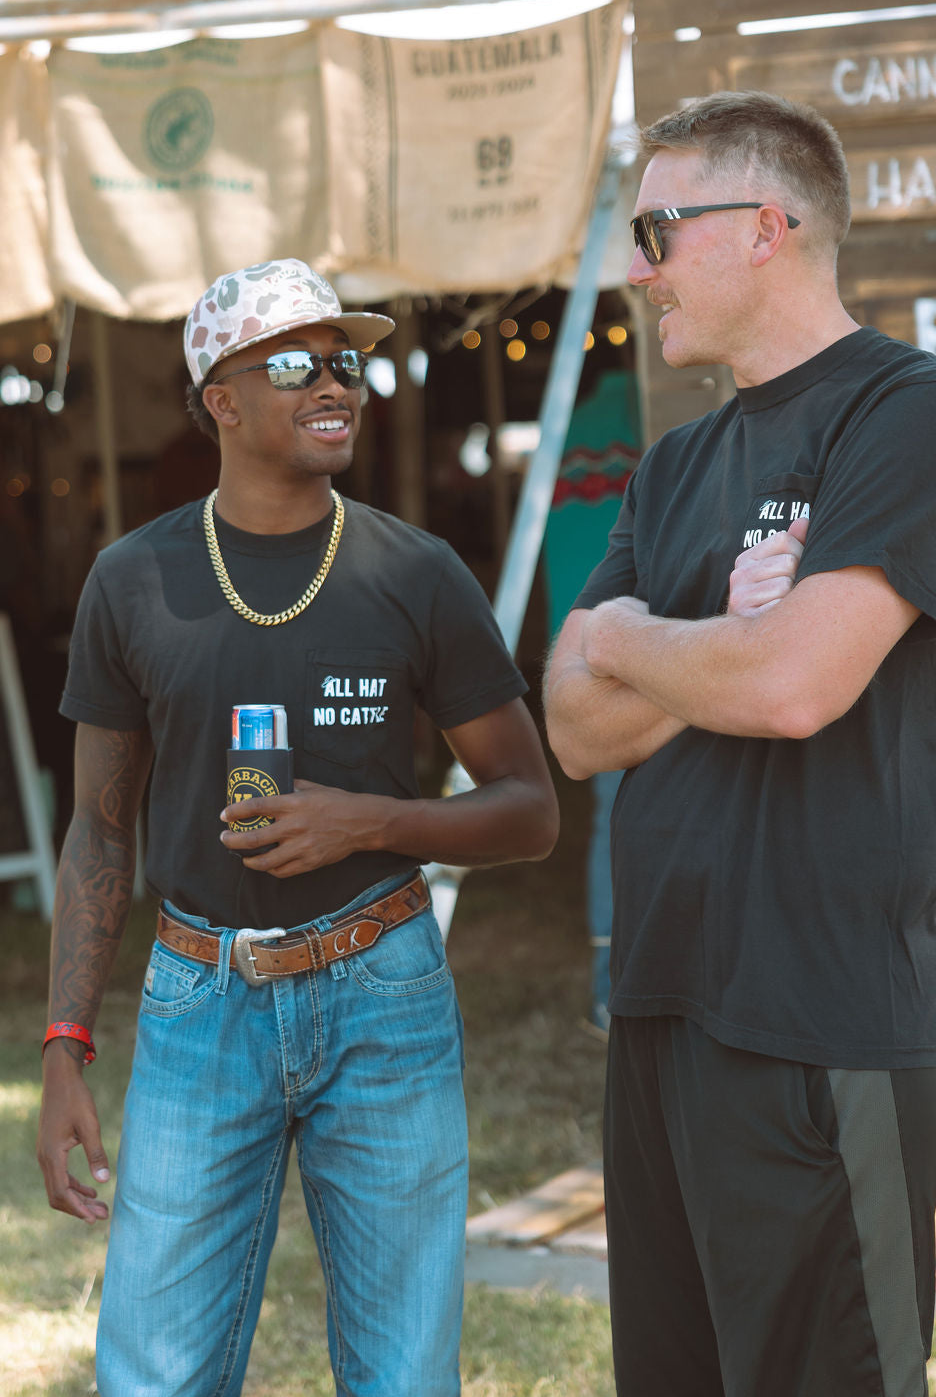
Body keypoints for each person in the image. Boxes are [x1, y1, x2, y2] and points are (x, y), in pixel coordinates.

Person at [543, 93, 936, 1397]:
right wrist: (703, 644)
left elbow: (800, 680)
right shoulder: (674, 463)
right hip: (663, 1005)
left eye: (658, 230)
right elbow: (573, 727)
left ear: (766, 226)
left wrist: (632, 633)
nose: (639, 270)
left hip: (825, 1017)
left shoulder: (915, 415)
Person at [37, 257, 559, 1397]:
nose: (337, 383)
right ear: (219, 397)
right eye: (295, 361)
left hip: (384, 989)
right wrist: (65, 1044)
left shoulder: (414, 571)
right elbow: (98, 828)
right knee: (152, 1374)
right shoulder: (134, 581)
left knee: (402, 1374)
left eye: (346, 359)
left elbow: (530, 809)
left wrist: (370, 820)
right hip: (195, 1003)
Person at [541, 367, 642, 1034]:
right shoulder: (656, 419)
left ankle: (610, 992)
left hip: (576, 641)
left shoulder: (567, 432)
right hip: (654, 633)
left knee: (612, 815)